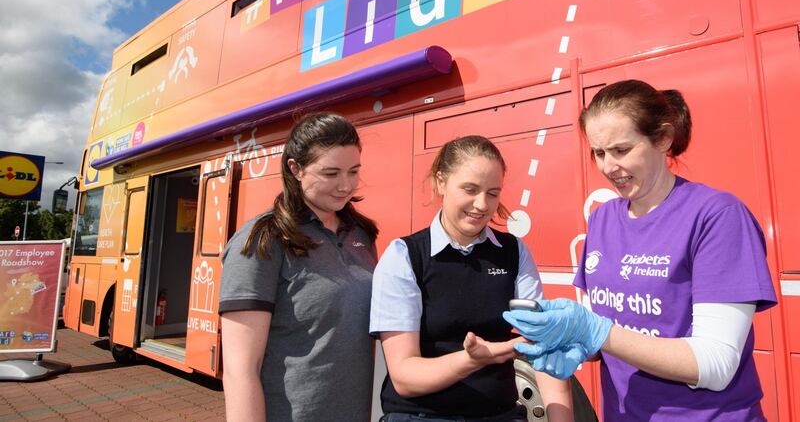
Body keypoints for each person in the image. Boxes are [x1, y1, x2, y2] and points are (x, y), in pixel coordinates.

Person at [504, 79, 778, 421]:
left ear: (663, 138)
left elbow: (716, 362)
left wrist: (595, 331)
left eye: (621, 150)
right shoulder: (603, 219)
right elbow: (612, 328)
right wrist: (575, 342)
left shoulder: (716, 215)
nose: (607, 167)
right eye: (599, 153)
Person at [370, 135, 574, 422]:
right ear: (441, 182)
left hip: (500, 414)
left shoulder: (514, 252)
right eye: (470, 189)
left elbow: (544, 345)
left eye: (493, 193)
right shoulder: (404, 256)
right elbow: (405, 377)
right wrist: (470, 360)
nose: (482, 205)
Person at [219, 113, 379, 422]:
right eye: (331, 173)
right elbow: (240, 370)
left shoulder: (360, 234)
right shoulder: (262, 240)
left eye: (354, 171)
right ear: (295, 169)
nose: (345, 185)